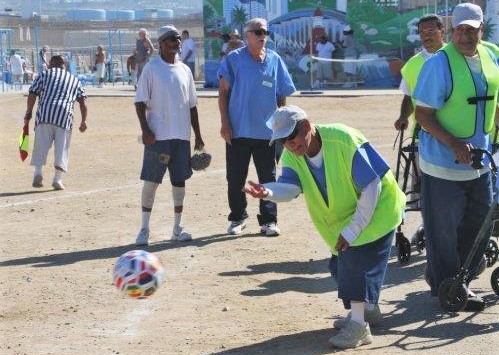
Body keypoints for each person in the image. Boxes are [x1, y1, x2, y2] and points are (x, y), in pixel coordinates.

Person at [244, 105, 405, 349]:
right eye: (283, 141)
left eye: (291, 137)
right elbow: (290, 187)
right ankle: (367, 311)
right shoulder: (291, 156)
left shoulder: (342, 139)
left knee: (355, 262)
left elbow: (372, 186)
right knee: (338, 267)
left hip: (378, 208)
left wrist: (353, 230)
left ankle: (360, 326)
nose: (289, 145)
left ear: (307, 127)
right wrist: (268, 191)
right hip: (348, 216)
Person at [413, 3, 499, 312]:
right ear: (452, 32)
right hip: (443, 164)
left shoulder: (491, 56)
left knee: (480, 226)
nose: (466, 35)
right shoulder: (438, 64)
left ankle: (455, 278)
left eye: (471, 29)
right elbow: (423, 115)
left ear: (481, 30)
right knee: (443, 231)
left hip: (482, 163)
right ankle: (449, 285)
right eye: (460, 29)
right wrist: (454, 144)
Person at [218, 18, 296, 236]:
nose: (263, 36)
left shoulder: (275, 60)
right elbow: (223, 93)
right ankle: (237, 218)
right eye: (258, 32)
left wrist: (282, 126)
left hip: (267, 134)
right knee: (235, 178)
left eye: (266, 32)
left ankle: (269, 221)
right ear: (247, 36)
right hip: (238, 131)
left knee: (268, 179)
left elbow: (281, 96)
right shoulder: (234, 59)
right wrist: (225, 123)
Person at [134, 24, 205, 246]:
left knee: (179, 183)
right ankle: (144, 229)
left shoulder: (185, 70)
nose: (178, 42)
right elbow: (139, 102)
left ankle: (177, 227)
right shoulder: (152, 68)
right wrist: (146, 130)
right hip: (158, 138)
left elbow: (192, 105)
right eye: (173, 39)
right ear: (162, 43)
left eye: (178, 39)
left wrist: (198, 136)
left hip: (181, 139)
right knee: (152, 182)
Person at [23, 55, 88, 190]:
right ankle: (57, 179)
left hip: (45, 114)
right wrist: (84, 121)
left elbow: (32, 93)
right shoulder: (74, 79)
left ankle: (38, 173)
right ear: (64, 65)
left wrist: (28, 113)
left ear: (51, 64)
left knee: (41, 144)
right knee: (62, 148)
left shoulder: (44, 74)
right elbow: (82, 101)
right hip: (64, 116)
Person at [394, 14, 445, 133]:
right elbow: (409, 96)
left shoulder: (455, 57)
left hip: (455, 132)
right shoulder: (412, 64)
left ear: (442, 31)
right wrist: (403, 116)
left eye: (431, 31)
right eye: (422, 32)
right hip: (422, 135)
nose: (426, 35)